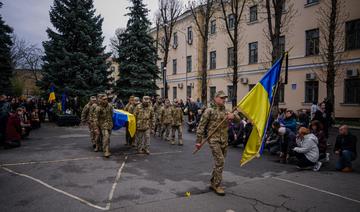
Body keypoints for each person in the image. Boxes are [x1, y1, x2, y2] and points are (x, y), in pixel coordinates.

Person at [196, 91, 240, 196]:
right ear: (215, 98)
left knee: (219, 162)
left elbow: (238, 121)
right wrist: (198, 141)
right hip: (213, 140)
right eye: (221, 98)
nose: (223, 100)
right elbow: (201, 126)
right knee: (220, 161)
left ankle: (213, 182)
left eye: (225, 98)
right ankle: (217, 185)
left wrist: (233, 117)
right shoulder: (209, 111)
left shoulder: (227, 111)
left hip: (224, 140)